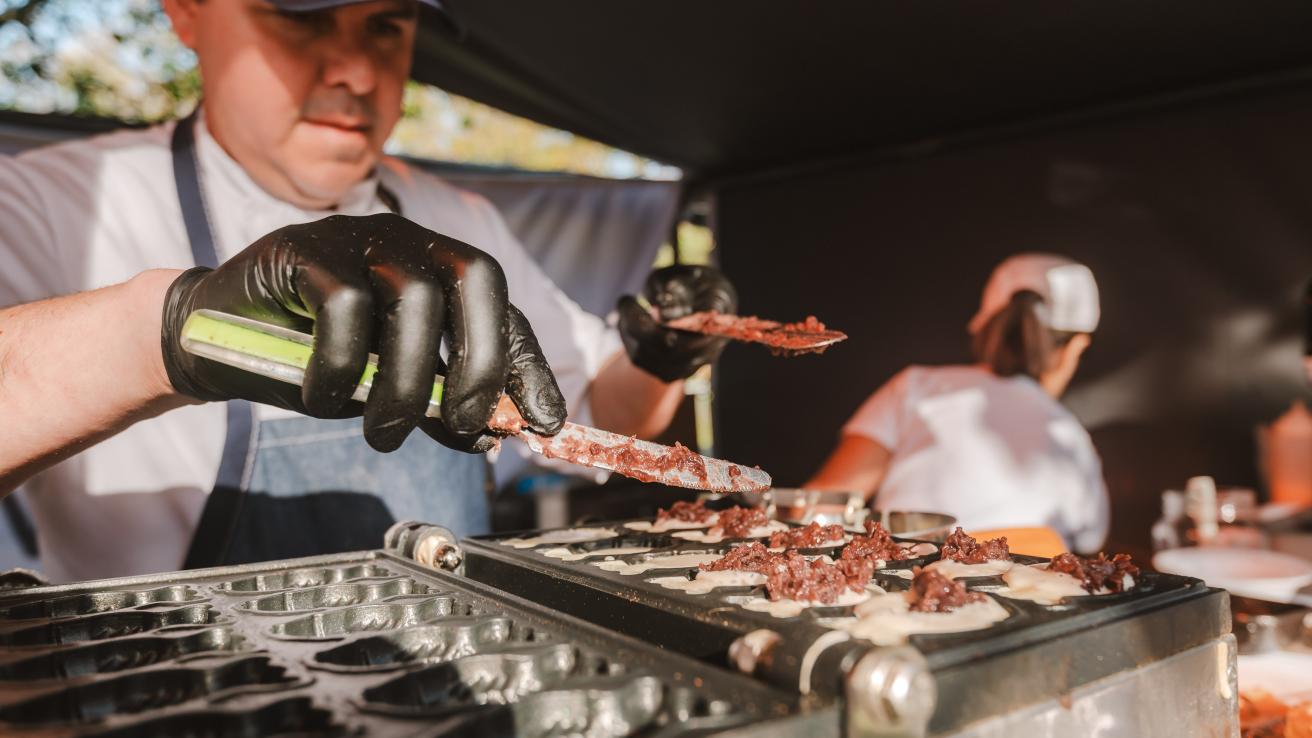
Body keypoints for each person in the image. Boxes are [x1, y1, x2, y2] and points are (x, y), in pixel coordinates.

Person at [0, 0, 735, 582]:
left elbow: (597, 416)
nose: (355, 71)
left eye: (386, 24)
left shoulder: (458, 219)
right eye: (302, 16)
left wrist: (659, 356)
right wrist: (162, 333)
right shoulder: (49, 204)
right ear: (186, 10)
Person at [805, 253, 1110, 553]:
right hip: (1030, 597)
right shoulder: (1071, 437)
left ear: (985, 327)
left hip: (902, 593)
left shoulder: (916, 387)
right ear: (1076, 348)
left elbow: (825, 503)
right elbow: (1089, 540)